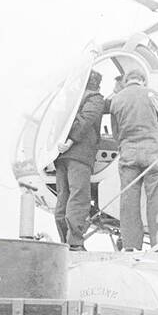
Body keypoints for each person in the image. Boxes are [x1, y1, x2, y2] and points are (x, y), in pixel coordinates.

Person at [109, 68, 158, 251]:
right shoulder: (152, 95)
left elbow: (116, 134)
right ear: (143, 80)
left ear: (126, 81)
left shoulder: (116, 100)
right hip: (153, 153)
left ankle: (130, 246)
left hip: (129, 154)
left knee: (129, 200)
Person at [54, 70, 106, 250]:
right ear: (97, 84)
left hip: (61, 157)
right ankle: (75, 242)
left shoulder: (71, 100)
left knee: (63, 198)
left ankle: (64, 242)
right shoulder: (95, 98)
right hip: (80, 155)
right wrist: (71, 141)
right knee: (79, 197)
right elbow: (86, 119)